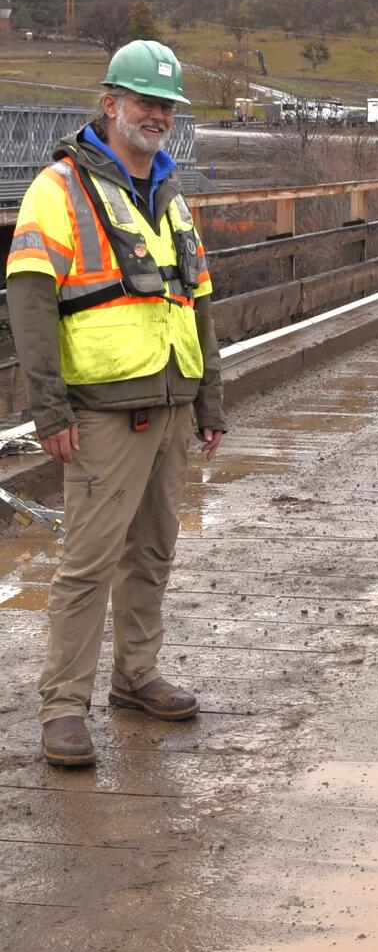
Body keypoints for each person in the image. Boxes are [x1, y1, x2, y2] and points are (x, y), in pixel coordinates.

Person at [6, 40, 225, 766]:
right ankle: (64, 706)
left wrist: (210, 401)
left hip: (170, 404)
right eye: (145, 102)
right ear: (111, 104)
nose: (157, 115)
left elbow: (197, 304)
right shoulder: (59, 188)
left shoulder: (171, 195)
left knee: (154, 552)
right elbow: (32, 307)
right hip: (101, 410)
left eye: (167, 105)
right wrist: (50, 411)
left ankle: (136, 676)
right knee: (87, 562)